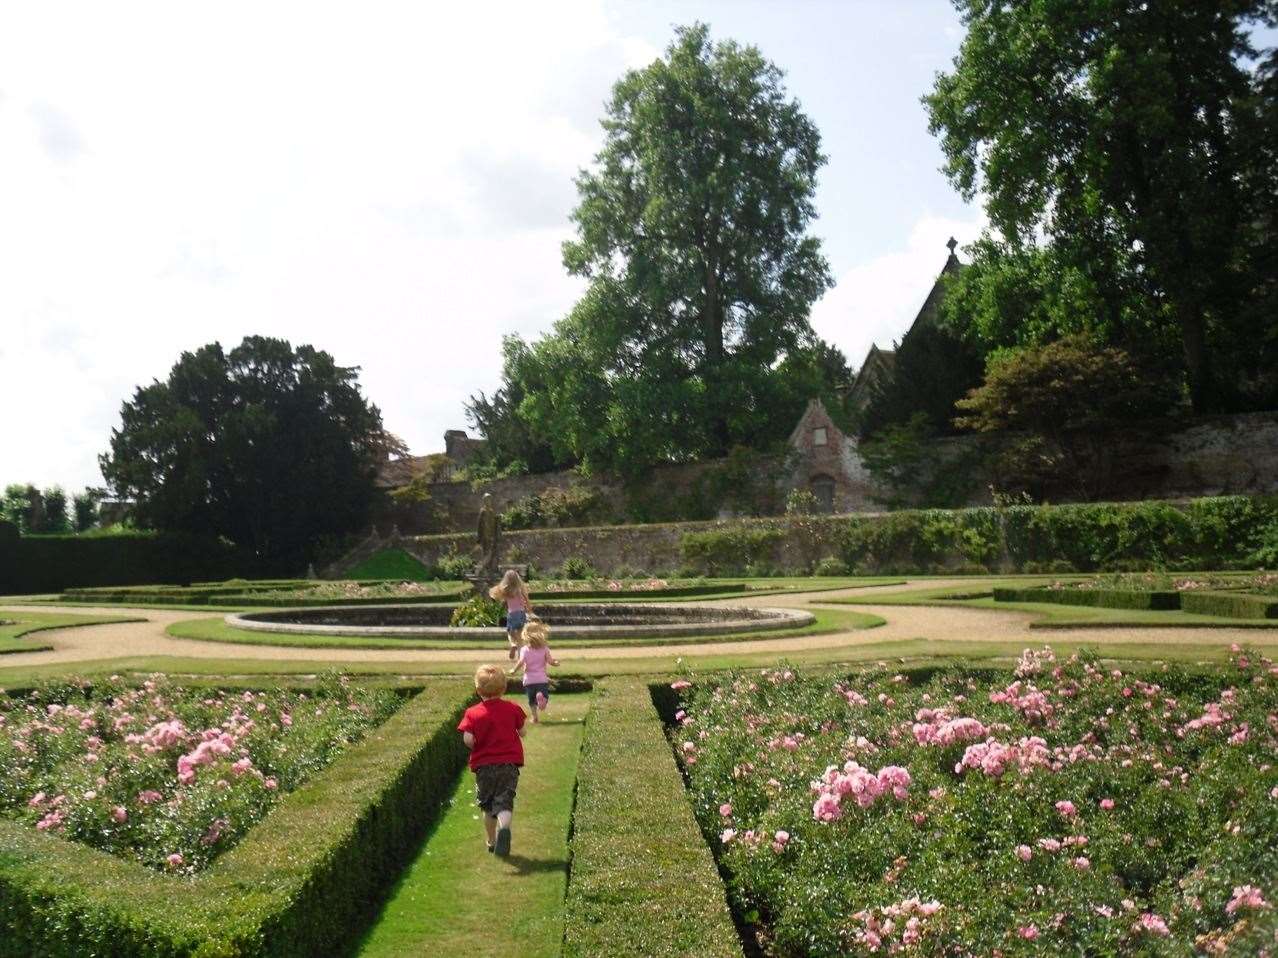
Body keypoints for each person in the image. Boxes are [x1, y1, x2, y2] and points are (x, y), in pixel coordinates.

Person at [457, 664, 527, 857]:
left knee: (487, 806)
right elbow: (523, 732)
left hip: (484, 767)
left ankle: (491, 841)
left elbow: (468, 739)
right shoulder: (512, 708)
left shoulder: (472, 713)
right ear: (504, 688)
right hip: (509, 765)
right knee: (504, 802)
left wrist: (477, 744)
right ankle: (504, 827)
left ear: (478, 690)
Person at [508, 618, 559, 723]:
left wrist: (514, 670)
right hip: (542, 679)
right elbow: (550, 661)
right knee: (544, 696)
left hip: (529, 680)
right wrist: (555, 663)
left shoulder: (524, 650)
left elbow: (521, 662)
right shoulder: (544, 648)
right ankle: (542, 699)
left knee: (531, 701)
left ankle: (535, 717)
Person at [489, 568, 532, 660]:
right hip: (521, 613)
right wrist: (529, 609)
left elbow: (494, 594)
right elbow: (526, 600)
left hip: (512, 613)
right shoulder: (520, 589)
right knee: (520, 636)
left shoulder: (505, 590)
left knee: (510, 633)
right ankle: (520, 656)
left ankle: (513, 644)